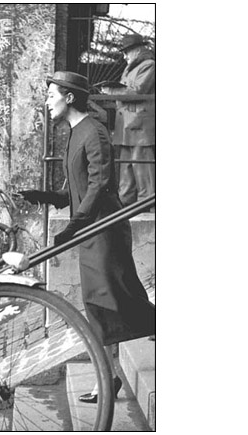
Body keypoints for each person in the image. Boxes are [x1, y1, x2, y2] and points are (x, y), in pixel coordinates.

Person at [19, 71, 155, 403]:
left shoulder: (93, 132)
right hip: (92, 230)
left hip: (103, 230)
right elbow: (78, 188)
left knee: (113, 302)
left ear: (69, 97)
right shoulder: (76, 132)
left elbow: (100, 185)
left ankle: (111, 376)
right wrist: (49, 196)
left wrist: (73, 226)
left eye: (51, 95)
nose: (47, 101)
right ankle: (108, 378)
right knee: (104, 304)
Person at [103, 33, 155, 207]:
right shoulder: (131, 68)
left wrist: (112, 91)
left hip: (139, 125)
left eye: (127, 52)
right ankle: (126, 203)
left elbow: (138, 91)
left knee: (141, 166)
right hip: (127, 124)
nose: (124, 56)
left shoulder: (149, 65)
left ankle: (146, 202)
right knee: (126, 165)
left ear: (138, 50)